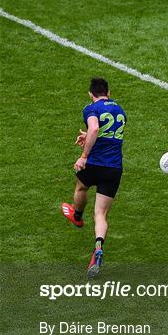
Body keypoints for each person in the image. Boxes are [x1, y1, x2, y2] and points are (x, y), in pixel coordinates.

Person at [61, 78, 127, 278]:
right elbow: (106, 134)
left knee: (81, 188)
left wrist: (83, 156)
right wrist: (88, 134)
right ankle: (98, 248)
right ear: (109, 91)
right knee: (101, 214)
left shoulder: (91, 108)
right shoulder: (120, 110)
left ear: (91, 94)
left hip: (94, 164)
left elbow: (96, 128)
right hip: (114, 168)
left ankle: (77, 216)